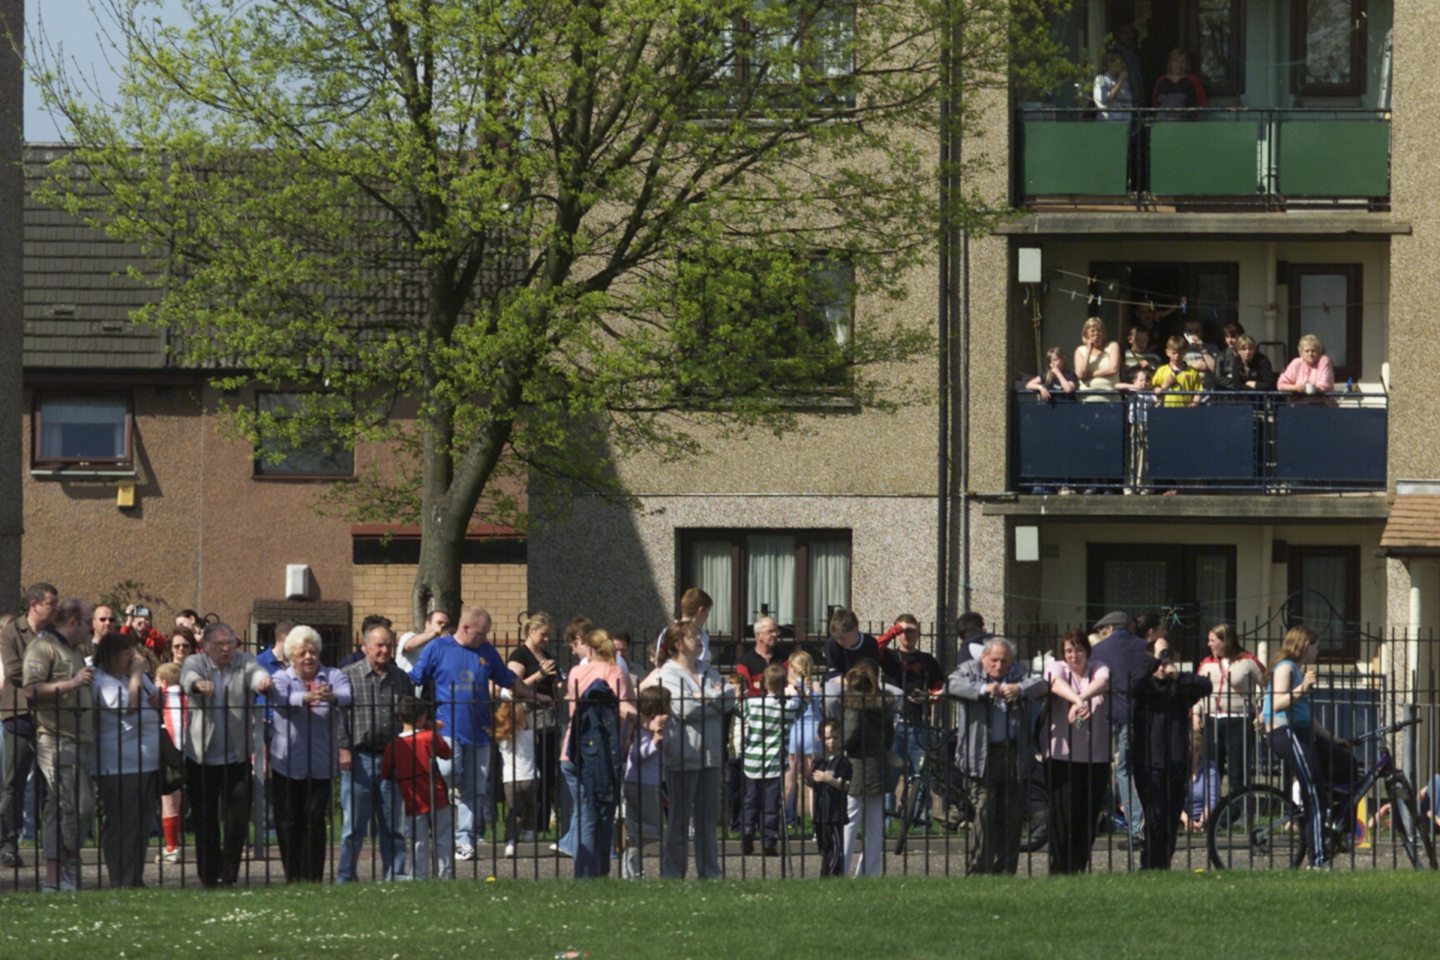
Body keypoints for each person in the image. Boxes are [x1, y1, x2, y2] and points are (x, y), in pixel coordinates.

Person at [407, 605, 534, 861]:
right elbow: (415, 679)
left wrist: (534, 695)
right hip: (447, 727)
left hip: (480, 731)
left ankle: (464, 839)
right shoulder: (438, 648)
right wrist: (415, 718)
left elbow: (507, 678)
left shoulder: (486, 651)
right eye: (480, 633)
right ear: (465, 628)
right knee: (448, 771)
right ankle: (433, 812)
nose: (484, 638)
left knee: (475, 788)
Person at [179, 621, 273, 887]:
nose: (225, 650)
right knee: (205, 821)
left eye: (229, 644)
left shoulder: (243, 661)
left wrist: (262, 681)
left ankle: (228, 875)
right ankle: (209, 875)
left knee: (237, 820)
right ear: (206, 646)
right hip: (201, 757)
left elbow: (255, 673)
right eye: (219, 645)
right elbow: (186, 679)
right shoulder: (196, 662)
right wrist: (198, 685)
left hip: (237, 755)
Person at [948, 636, 1046, 875]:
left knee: (1012, 816)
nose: (999, 666)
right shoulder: (968, 670)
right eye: (994, 660)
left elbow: (1042, 684)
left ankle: (1005, 871)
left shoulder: (1018, 672)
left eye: (1004, 661)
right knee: (983, 812)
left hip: (1013, 752)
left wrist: (1020, 689)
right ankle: (977, 871)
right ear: (984, 658)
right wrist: (983, 690)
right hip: (980, 755)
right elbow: (951, 685)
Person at [267, 625, 352, 882]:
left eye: (312, 652)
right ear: (292, 655)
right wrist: (304, 697)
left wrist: (331, 697)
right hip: (287, 763)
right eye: (302, 652)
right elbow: (277, 697)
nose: (308, 657)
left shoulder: (333, 675)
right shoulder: (282, 677)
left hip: (320, 764)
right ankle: (293, 875)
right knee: (289, 822)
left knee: (315, 821)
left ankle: (313, 876)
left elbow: (348, 696)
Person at [23, 596, 96, 892]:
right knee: (78, 806)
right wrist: (72, 683)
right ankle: (68, 865)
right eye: (89, 621)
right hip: (54, 738)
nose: (92, 627)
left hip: (79, 740)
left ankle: (55, 878)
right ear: (73, 622)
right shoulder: (43, 647)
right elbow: (30, 690)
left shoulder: (75, 652)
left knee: (59, 808)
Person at [1261, 625, 1346, 869]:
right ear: (1305, 645)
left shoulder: (1296, 669)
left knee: (1343, 764)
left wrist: (1331, 738)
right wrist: (1302, 688)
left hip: (1300, 730)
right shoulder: (1286, 667)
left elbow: (1306, 715)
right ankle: (1319, 859)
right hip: (1286, 733)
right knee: (1314, 792)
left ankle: (1329, 826)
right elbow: (1277, 703)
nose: (1318, 651)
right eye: (1316, 646)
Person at [658, 620, 735, 879]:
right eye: (694, 637)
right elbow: (683, 709)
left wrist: (705, 698)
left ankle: (710, 872)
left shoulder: (707, 669)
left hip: (711, 754)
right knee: (679, 819)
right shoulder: (668, 673)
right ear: (679, 644)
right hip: (684, 754)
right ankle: (673, 873)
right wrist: (712, 699)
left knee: (707, 820)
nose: (700, 640)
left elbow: (729, 698)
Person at [338, 622, 409, 882]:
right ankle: (346, 877)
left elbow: (408, 718)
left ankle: (395, 875)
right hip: (359, 758)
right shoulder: (347, 675)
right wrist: (344, 748)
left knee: (392, 826)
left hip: (392, 758)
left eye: (389, 645)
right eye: (379, 645)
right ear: (365, 647)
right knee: (353, 827)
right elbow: (339, 715)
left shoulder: (401, 679)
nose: (385, 650)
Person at [1132, 633, 1210, 870]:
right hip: (1148, 761)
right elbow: (1134, 683)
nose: (1162, 667)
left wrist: (1176, 674)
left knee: (1170, 816)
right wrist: (1154, 660)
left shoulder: (1178, 688)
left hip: (1176, 759)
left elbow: (1205, 685)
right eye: (1158, 663)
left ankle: (1162, 863)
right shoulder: (1144, 688)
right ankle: (1150, 863)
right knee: (1154, 816)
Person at [90, 629, 162, 887]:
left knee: (142, 823)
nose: (132, 660)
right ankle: (120, 876)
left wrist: (156, 695)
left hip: (147, 761)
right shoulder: (103, 680)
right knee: (123, 822)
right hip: (120, 764)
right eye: (126, 656)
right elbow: (128, 706)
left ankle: (135, 876)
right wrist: (136, 674)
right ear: (112, 656)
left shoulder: (132, 677)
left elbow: (154, 697)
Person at [563, 627, 634, 878]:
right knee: (601, 813)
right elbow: (625, 709)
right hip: (603, 751)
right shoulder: (614, 671)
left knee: (584, 811)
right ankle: (594, 872)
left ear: (590, 650)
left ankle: (587, 871)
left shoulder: (575, 672)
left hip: (572, 749)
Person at [1042, 629, 1111, 874]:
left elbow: (1103, 682)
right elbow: (1054, 683)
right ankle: (1060, 868)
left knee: (1088, 816)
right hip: (1061, 755)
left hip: (1096, 757)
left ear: (1087, 651)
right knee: (1063, 817)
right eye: (1069, 650)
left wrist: (1081, 697)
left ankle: (1079, 865)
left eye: (1079, 649)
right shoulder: (1057, 667)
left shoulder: (1097, 667)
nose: (1074, 655)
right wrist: (1078, 701)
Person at [0, 582, 57, 869]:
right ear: (34, 604)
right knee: (13, 783)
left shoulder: (55, 636)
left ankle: (54, 843)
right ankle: (8, 844)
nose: (55, 608)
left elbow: (66, 667)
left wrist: (42, 679)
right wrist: (50, 679)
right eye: (51, 603)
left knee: (53, 782)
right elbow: (12, 671)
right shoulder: (12, 631)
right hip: (19, 714)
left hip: (50, 716)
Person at [1087, 611, 1150, 855]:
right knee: (1134, 769)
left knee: (1119, 770)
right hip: (1140, 714)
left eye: (1102, 631)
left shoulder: (1100, 651)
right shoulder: (1143, 646)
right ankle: (1143, 825)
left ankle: (1134, 829)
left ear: (1110, 629)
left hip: (1113, 715)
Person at [878, 614, 944, 826]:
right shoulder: (889, 657)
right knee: (889, 774)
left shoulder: (927, 660)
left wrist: (930, 697)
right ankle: (885, 821)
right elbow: (874, 649)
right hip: (894, 722)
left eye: (912, 631)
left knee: (921, 773)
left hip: (920, 722)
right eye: (904, 631)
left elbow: (940, 686)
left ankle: (917, 819)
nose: (908, 636)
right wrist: (894, 630)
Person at [383, 696, 454, 879]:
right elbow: (447, 753)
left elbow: (385, 771)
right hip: (435, 792)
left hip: (412, 797)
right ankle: (445, 874)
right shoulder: (429, 737)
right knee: (443, 837)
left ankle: (418, 875)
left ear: (400, 717)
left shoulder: (394, 744)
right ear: (423, 717)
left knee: (417, 840)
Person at [1195, 624, 1265, 798]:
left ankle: (1239, 811)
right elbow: (1196, 691)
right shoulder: (1206, 663)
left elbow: (1269, 686)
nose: (1209, 644)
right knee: (1212, 767)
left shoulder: (1248, 661)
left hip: (1239, 720)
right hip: (1211, 719)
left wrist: (1264, 711)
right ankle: (1212, 809)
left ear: (1225, 641)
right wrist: (1196, 714)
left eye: (1213, 640)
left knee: (1238, 769)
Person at [506, 611, 560, 839]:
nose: (547, 640)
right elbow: (511, 686)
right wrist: (538, 675)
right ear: (531, 631)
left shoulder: (545, 655)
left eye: (549, 636)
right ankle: (526, 822)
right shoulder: (520, 655)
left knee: (547, 771)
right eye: (543, 635)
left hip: (548, 719)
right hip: (529, 718)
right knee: (530, 771)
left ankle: (542, 822)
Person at [738, 663, 800, 857]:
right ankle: (769, 840)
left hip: (752, 761)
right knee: (771, 804)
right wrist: (794, 690)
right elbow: (800, 705)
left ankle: (747, 830)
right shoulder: (787, 708)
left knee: (750, 800)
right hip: (774, 762)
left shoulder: (752, 703)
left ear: (764, 684)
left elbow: (738, 710)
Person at [840, 663, 892, 877]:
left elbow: (848, 736)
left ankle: (840, 868)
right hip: (878, 764)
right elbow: (890, 737)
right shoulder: (884, 706)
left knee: (849, 821)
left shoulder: (854, 707)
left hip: (857, 767)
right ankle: (870, 871)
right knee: (874, 825)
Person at [621, 685, 670, 879]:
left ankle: (632, 870)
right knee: (652, 831)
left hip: (650, 784)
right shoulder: (645, 730)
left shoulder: (654, 729)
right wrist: (655, 742)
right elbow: (635, 755)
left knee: (642, 831)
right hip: (641, 784)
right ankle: (632, 864)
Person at [809, 718, 852, 877]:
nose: (832, 742)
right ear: (820, 738)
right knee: (824, 846)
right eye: (828, 738)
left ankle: (830, 874)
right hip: (821, 812)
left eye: (835, 737)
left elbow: (846, 786)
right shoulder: (819, 760)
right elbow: (812, 783)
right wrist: (807, 775)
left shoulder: (843, 762)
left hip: (835, 813)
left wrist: (830, 780)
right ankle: (826, 872)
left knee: (835, 847)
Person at [494, 695, 536, 860]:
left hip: (510, 779)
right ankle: (529, 830)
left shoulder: (503, 739)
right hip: (531, 776)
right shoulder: (529, 735)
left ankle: (510, 842)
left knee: (513, 812)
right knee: (532, 806)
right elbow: (533, 730)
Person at [154, 661, 186, 864]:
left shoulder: (163, 698)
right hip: (190, 753)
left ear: (163, 682)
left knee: (169, 801)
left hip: (170, 752)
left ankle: (172, 847)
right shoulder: (186, 697)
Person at [653, 587, 714, 670]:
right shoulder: (701, 636)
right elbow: (701, 666)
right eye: (707, 611)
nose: (708, 615)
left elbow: (659, 662)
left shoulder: (666, 631)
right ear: (700, 610)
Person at [394, 608, 452, 682]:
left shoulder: (442, 647)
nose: (443, 626)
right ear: (427, 624)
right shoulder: (409, 636)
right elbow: (409, 645)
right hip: (406, 687)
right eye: (439, 623)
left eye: (446, 625)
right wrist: (436, 632)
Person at [1151, 47, 1209, 118]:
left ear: (1187, 64)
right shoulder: (1161, 81)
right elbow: (1155, 103)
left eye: (1182, 61)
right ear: (1170, 62)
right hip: (1163, 123)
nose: (1179, 64)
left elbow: (1202, 103)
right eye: (1176, 61)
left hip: (1187, 123)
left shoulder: (1193, 80)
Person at [824, 607, 880, 679]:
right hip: (838, 686)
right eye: (836, 638)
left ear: (855, 629)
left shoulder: (870, 643)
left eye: (842, 638)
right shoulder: (832, 644)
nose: (839, 642)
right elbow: (833, 673)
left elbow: (872, 673)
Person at [1074, 316, 1121, 401]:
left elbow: (1113, 369)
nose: (1096, 334)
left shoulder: (1112, 346)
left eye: (1099, 331)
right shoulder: (1080, 350)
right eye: (1093, 331)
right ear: (1086, 334)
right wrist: (1088, 351)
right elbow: (1081, 374)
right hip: (1087, 398)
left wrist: (1090, 375)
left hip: (1110, 398)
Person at [1093, 51, 1132, 121]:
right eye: (1118, 62)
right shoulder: (1102, 79)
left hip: (1126, 125)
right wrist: (1120, 81)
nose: (1122, 65)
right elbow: (1105, 100)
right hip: (1109, 125)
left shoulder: (1126, 83)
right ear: (1109, 63)